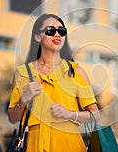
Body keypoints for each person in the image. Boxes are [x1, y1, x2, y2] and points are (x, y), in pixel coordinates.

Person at [7, 13, 100, 152]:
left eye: (61, 31)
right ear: (37, 37)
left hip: (69, 144)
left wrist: (69, 114)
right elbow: (12, 118)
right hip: (33, 144)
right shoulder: (22, 73)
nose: (57, 35)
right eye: (51, 31)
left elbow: (95, 115)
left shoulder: (76, 72)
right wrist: (24, 98)